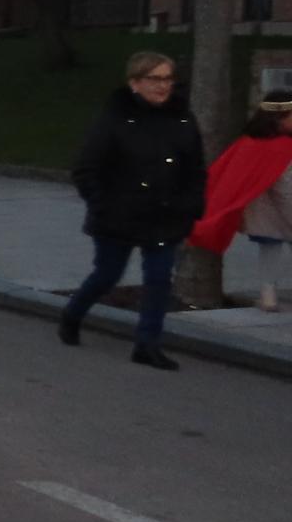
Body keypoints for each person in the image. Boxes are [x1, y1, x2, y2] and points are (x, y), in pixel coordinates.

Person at [57, 51, 206, 369]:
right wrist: (103, 206)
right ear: (135, 83)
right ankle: (73, 314)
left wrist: (191, 205)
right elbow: (85, 169)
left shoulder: (182, 118)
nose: (163, 86)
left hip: (166, 215)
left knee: (159, 279)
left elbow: (195, 168)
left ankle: (147, 345)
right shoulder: (113, 120)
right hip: (119, 215)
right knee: (107, 276)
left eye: (167, 78)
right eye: (154, 79)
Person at [190, 98, 292, 312]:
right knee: (271, 252)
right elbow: (285, 189)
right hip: (282, 211)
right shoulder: (283, 147)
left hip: (262, 215)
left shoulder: (248, 142)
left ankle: (268, 296)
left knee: (269, 252)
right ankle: (269, 298)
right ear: (279, 118)